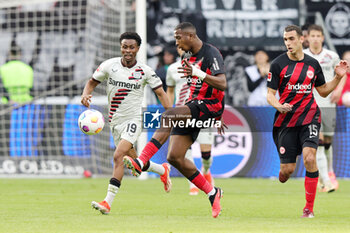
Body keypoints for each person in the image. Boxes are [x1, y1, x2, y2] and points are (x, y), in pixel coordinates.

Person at [123, 22, 226, 218]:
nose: (176, 42)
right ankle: (213, 193)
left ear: (190, 36)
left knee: (168, 115)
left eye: (179, 38)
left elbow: (222, 84)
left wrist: (198, 74)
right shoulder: (188, 57)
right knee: (175, 157)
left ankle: (141, 161)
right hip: (193, 106)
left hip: (209, 105)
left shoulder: (210, 53)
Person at [81, 32, 172, 215]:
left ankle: (107, 202)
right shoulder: (109, 66)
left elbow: (161, 93)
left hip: (134, 119)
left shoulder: (145, 71)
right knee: (136, 163)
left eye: (131, 47)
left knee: (118, 156)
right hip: (115, 121)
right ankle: (162, 170)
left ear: (138, 49)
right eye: (125, 46)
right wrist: (85, 93)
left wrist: (172, 112)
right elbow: (91, 82)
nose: (128, 50)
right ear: (120, 47)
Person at [267, 25, 348, 218]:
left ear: (301, 39)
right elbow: (269, 95)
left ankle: (308, 209)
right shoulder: (278, 64)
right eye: (285, 39)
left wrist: (337, 77)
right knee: (288, 170)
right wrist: (278, 105)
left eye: (292, 39)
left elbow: (323, 91)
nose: (288, 43)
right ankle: (284, 172)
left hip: (310, 116)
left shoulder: (312, 64)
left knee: (310, 157)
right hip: (286, 120)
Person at [166, 47, 215, 195]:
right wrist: (169, 109)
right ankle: (193, 183)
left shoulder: (203, 65)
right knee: (184, 151)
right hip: (182, 114)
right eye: (181, 46)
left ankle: (206, 171)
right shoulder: (173, 69)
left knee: (206, 155)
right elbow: (170, 90)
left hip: (202, 113)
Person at [303, 24, 346, 192]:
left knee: (327, 142)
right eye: (312, 35)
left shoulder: (332, 56)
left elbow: (341, 75)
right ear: (307, 38)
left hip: (328, 103)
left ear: (322, 37)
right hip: (310, 104)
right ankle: (326, 181)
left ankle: (329, 172)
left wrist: (339, 90)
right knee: (318, 141)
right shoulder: (303, 56)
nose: (314, 38)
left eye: (317, 35)